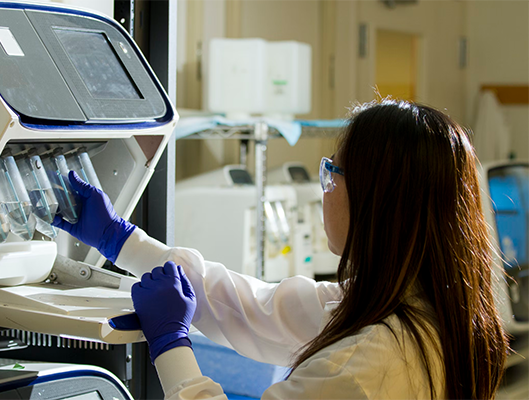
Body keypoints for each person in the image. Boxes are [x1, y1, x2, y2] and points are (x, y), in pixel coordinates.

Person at [53, 99, 509, 400]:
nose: (324, 189)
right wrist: (122, 240)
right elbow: (253, 308)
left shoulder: (366, 366)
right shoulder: (419, 309)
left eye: (332, 174)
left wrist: (172, 346)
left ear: (376, 200)